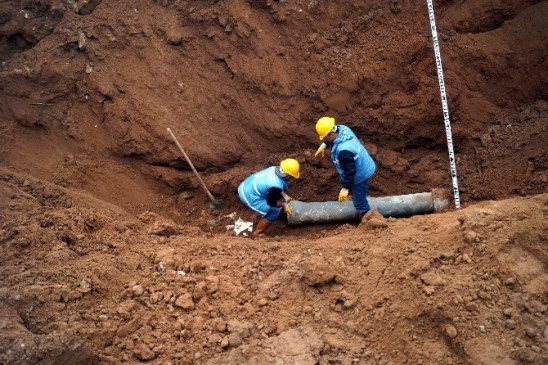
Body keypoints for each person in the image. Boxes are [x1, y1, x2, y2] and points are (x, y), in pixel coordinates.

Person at [314, 116, 376, 219]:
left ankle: (367, 218)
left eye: (325, 137)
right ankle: (355, 197)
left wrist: (345, 188)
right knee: (354, 190)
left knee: (359, 202)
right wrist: (325, 144)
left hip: (360, 174)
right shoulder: (342, 129)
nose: (325, 139)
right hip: (363, 162)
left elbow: (350, 172)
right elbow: (334, 138)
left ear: (332, 134)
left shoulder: (343, 151)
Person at [238, 158, 300, 238]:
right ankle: (258, 234)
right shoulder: (276, 185)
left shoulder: (273, 169)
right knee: (274, 212)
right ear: (287, 175)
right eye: (291, 176)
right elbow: (271, 202)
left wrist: (285, 196)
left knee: (273, 197)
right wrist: (284, 205)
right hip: (248, 196)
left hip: (245, 186)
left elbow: (275, 186)